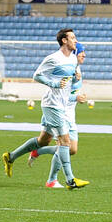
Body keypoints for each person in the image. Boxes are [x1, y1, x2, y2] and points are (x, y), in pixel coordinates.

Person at [2, 29, 88, 189]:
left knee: (43, 141)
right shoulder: (54, 58)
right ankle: (68, 180)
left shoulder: (72, 62)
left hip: (60, 106)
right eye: (73, 38)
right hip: (52, 105)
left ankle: (11, 156)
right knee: (65, 142)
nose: (75, 40)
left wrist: (74, 80)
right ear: (64, 40)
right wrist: (54, 84)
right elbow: (37, 76)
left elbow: (66, 84)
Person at [28, 44, 89, 187]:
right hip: (58, 111)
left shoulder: (77, 70)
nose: (84, 55)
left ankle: (38, 152)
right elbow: (63, 93)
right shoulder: (66, 69)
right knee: (64, 145)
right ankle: (56, 180)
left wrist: (78, 95)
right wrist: (76, 98)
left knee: (71, 149)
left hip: (69, 114)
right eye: (82, 52)